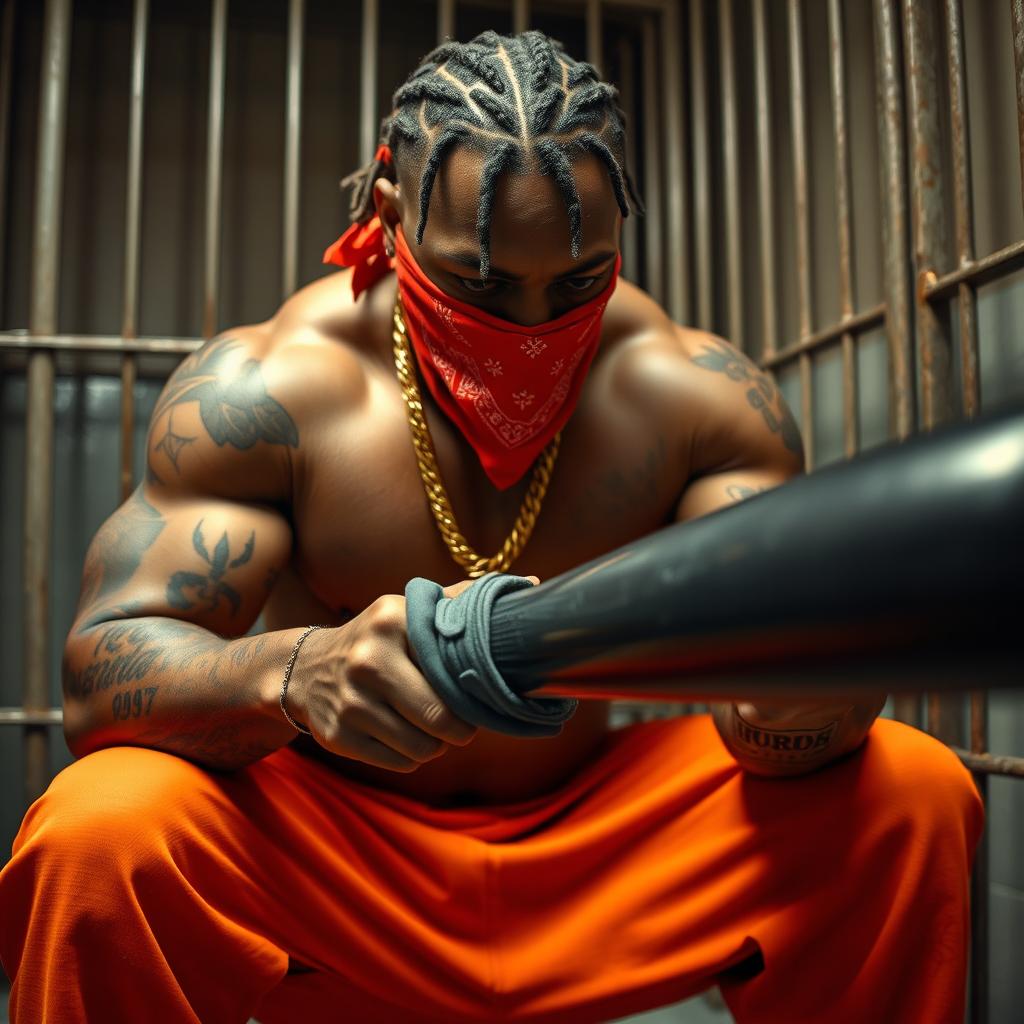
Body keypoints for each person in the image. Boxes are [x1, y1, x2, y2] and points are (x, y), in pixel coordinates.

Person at [0, 30, 983, 1024]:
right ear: (389, 210)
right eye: (479, 284)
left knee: (910, 788)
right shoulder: (270, 390)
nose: (529, 328)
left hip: (592, 859)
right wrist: (293, 671)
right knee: (103, 826)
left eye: (574, 282)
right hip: (340, 858)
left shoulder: (693, 396)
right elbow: (100, 675)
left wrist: (814, 687)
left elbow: (772, 742)